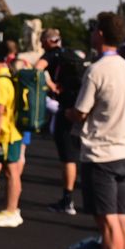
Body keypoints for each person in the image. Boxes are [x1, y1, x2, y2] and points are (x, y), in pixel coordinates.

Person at [64, 12, 125, 249]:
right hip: (123, 150)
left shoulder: (97, 71)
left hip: (101, 153)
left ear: (100, 34)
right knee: (124, 220)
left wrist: (67, 112)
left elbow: (82, 112)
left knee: (108, 225)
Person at [41, 28, 82, 214]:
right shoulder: (72, 54)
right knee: (74, 155)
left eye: (42, 41)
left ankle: (67, 199)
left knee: (67, 158)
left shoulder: (51, 55)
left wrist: (51, 86)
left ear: (49, 41)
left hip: (65, 109)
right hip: (80, 108)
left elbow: (36, 69)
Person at [0, 46, 26, 227]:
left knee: (11, 172)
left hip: (7, 134)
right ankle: (11, 209)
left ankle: (11, 210)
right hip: (13, 131)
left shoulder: (0, 80)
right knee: (13, 170)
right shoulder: (8, 75)